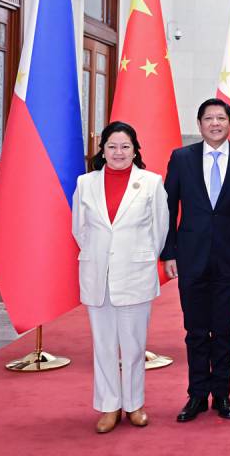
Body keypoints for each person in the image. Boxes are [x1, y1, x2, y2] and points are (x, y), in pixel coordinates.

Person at [161, 98, 230, 422]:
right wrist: (169, 252)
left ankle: (221, 394)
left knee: (222, 330)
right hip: (191, 257)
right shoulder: (181, 158)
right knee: (194, 330)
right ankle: (196, 395)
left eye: (221, 118)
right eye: (209, 118)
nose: (215, 124)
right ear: (200, 123)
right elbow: (168, 208)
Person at [72, 121, 169, 433]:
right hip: (97, 273)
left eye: (125, 146)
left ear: (135, 149)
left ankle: (134, 404)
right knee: (103, 345)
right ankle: (109, 405)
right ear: (103, 149)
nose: (118, 152)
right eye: (112, 146)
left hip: (135, 274)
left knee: (133, 345)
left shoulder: (151, 183)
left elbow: (160, 230)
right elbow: (80, 229)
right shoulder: (85, 183)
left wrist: (138, 255)